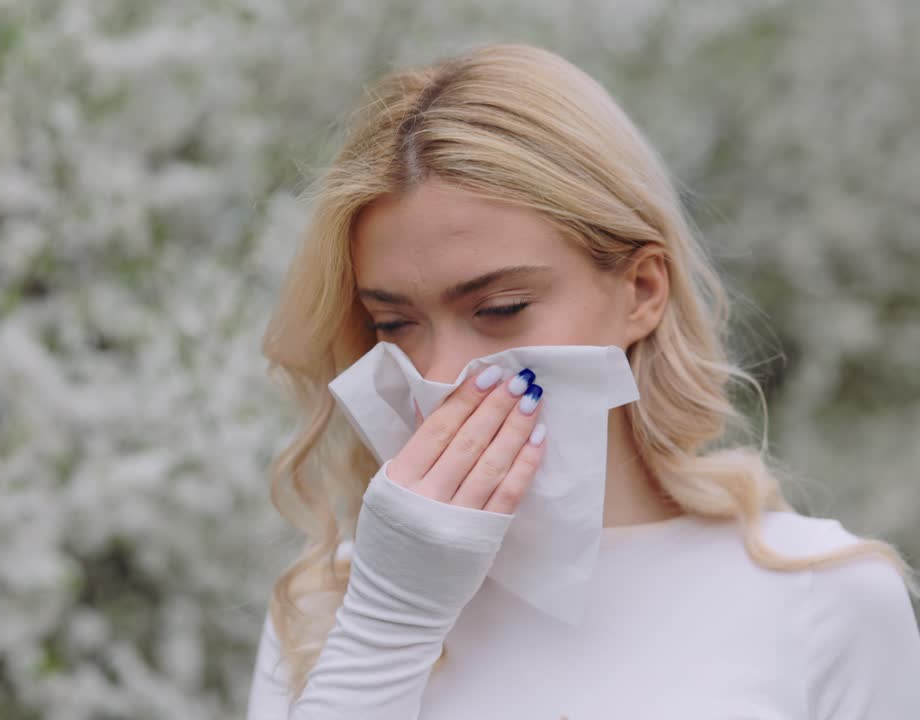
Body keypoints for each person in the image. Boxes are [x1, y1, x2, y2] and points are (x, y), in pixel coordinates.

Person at [245, 42, 920, 719]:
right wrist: (388, 622)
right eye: (393, 323)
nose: (441, 376)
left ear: (643, 290)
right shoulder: (326, 606)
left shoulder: (822, 597)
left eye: (499, 310)